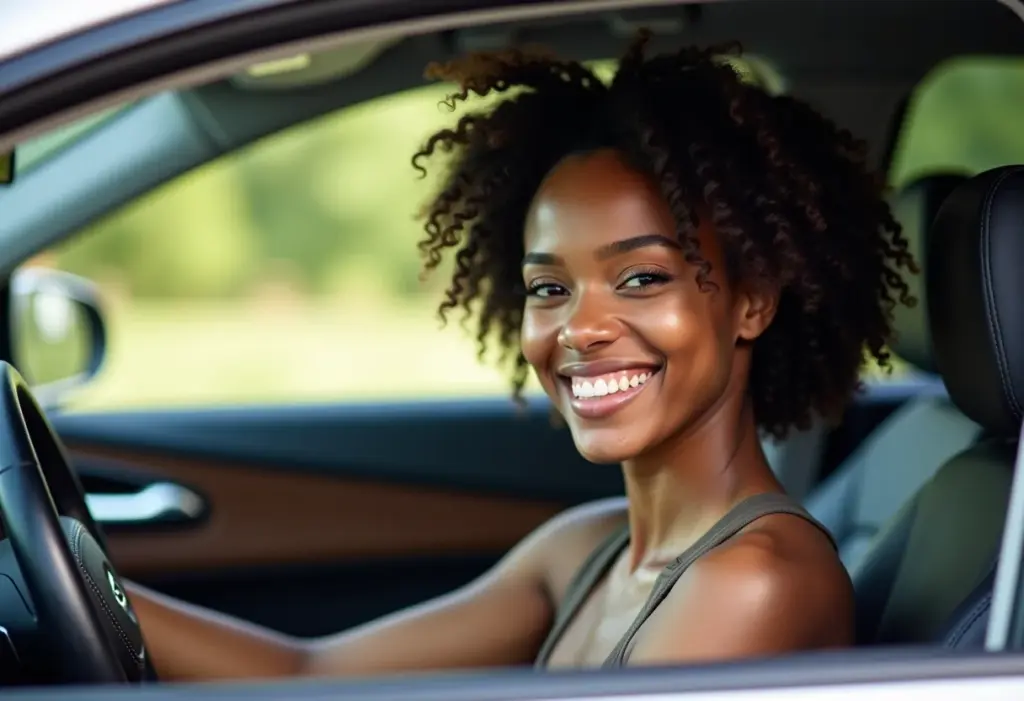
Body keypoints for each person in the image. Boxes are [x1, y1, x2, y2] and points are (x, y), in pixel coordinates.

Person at [125, 33, 916, 680]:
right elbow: (311, 671)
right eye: (549, 287)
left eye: (641, 277)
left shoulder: (755, 582)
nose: (580, 327)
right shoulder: (587, 547)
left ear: (753, 300)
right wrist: (95, 586)